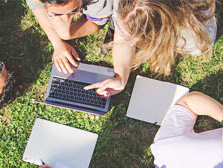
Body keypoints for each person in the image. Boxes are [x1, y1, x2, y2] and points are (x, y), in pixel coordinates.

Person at [85, 0, 217, 97]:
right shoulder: (126, 6)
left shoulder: (194, 41)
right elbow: (121, 40)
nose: (121, 33)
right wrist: (121, 77)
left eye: (130, 35)